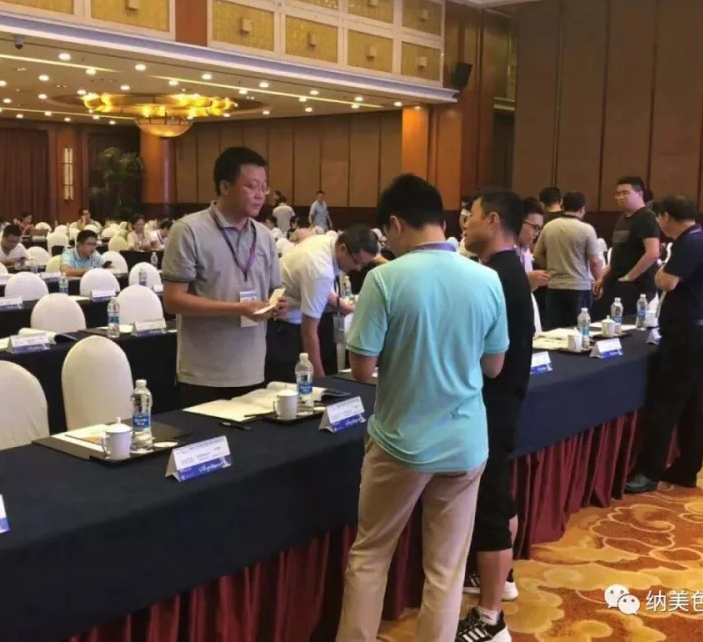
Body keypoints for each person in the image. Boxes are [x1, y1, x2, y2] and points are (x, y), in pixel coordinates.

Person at [336, 174, 507, 642]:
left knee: (371, 555)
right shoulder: (487, 278)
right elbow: (494, 366)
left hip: (402, 441)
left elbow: (362, 370)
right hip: (466, 441)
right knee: (447, 570)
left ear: (395, 224)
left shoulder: (384, 279)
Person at [456, 188, 533, 642]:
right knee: (499, 497)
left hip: (491, 406)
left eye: (472, 216)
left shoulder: (493, 277)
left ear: (494, 220)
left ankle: (490, 618)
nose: (465, 223)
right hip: (502, 403)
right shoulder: (507, 269)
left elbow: (488, 357)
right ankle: (499, 580)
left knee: (491, 507)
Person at [162, 146, 286, 408]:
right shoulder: (188, 230)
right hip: (205, 373)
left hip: (253, 367)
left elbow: (274, 290)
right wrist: (237, 308)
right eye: (251, 186)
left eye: (264, 187)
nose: (259, 195)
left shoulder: (264, 236)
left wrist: (276, 306)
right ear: (225, 187)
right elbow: (173, 301)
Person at [625, 196, 703, 494]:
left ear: (665, 217)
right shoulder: (696, 239)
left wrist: (659, 273)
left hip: (686, 337)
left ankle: (648, 471)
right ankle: (686, 468)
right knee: (692, 406)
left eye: (658, 218)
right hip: (695, 334)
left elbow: (666, 282)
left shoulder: (690, 242)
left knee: (664, 406)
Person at [265, 225, 378, 382]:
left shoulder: (328, 242)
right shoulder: (320, 269)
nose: (358, 269)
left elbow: (320, 290)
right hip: (282, 325)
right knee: (292, 382)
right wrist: (322, 383)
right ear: (343, 249)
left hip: (289, 315)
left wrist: (342, 306)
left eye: (363, 265)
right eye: (357, 262)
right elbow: (308, 333)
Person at [533, 191, 605, 330]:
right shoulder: (586, 229)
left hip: (554, 287)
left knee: (554, 331)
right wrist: (599, 282)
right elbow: (595, 262)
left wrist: (550, 267)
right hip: (579, 287)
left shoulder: (549, 227)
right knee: (578, 330)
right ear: (582, 209)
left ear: (562, 205)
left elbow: (537, 254)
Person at [593, 176, 660, 316]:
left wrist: (629, 277)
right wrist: (602, 278)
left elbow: (653, 253)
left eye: (625, 193)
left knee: (625, 324)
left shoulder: (646, 217)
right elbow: (618, 254)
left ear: (639, 194)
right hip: (616, 282)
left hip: (636, 285)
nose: (621, 197)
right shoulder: (623, 218)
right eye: (618, 194)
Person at [517, 198, 549, 293]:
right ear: (518, 222)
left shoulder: (525, 250)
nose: (537, 233)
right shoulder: (502, 251)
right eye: (535, 227)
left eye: (539, 229)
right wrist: (526, 280)